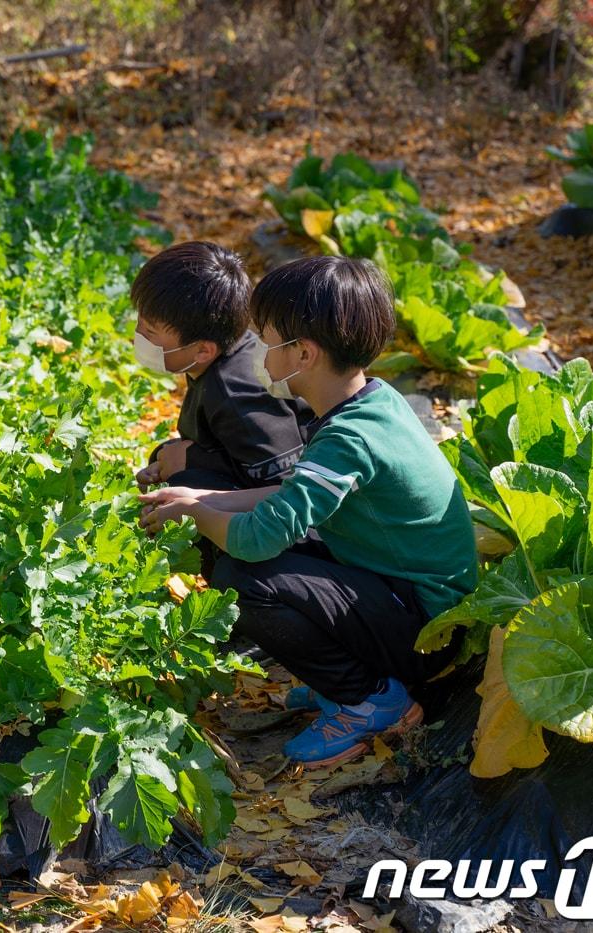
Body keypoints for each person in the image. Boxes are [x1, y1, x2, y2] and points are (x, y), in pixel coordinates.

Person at [138, 256, 476, 768]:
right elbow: (291, 492)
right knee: (250, 552)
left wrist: (194, 515)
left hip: (426, 629)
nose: (256, 353)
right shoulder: (371, 401)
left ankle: (371, 699)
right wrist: (202, 499)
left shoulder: (348, 439)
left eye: (265, 338)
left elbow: (257, 539)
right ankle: (347, 680)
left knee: (247, 576)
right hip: (394, 586)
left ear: (302, 354)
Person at [131, 242, 309, 494]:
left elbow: (283, 483)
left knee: (180, 490)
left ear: (203, 350)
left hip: (308, 508)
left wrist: (194, 461)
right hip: (254, 467)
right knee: (162, 458)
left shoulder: (238, 394)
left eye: (150, 331)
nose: (138, 334)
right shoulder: (219, 352)